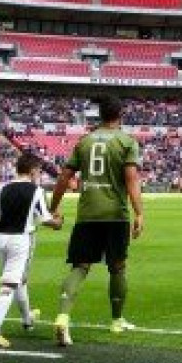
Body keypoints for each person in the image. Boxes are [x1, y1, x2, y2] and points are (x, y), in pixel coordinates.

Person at [50, 95, 145, 347]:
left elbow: (64, 177)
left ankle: (62, 316)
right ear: (120, 115)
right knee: (117, 267)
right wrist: (140, 213)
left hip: (87, 214)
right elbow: (131, 180)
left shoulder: (84, 142)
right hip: (115, 215)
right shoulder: (127, 142)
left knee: (80, 267)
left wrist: (53, 207)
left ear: (100, 115)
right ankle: (116, 320)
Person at [0, 152, 60, 349]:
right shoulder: (36, 190)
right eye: (39, 171)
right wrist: (58, 222)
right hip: (20, 240)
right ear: (33, 170)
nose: (40, 174)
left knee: (18, 280)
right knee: (9, 284)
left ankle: (27, 319)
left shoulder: (1, 189)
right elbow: (46, 219)